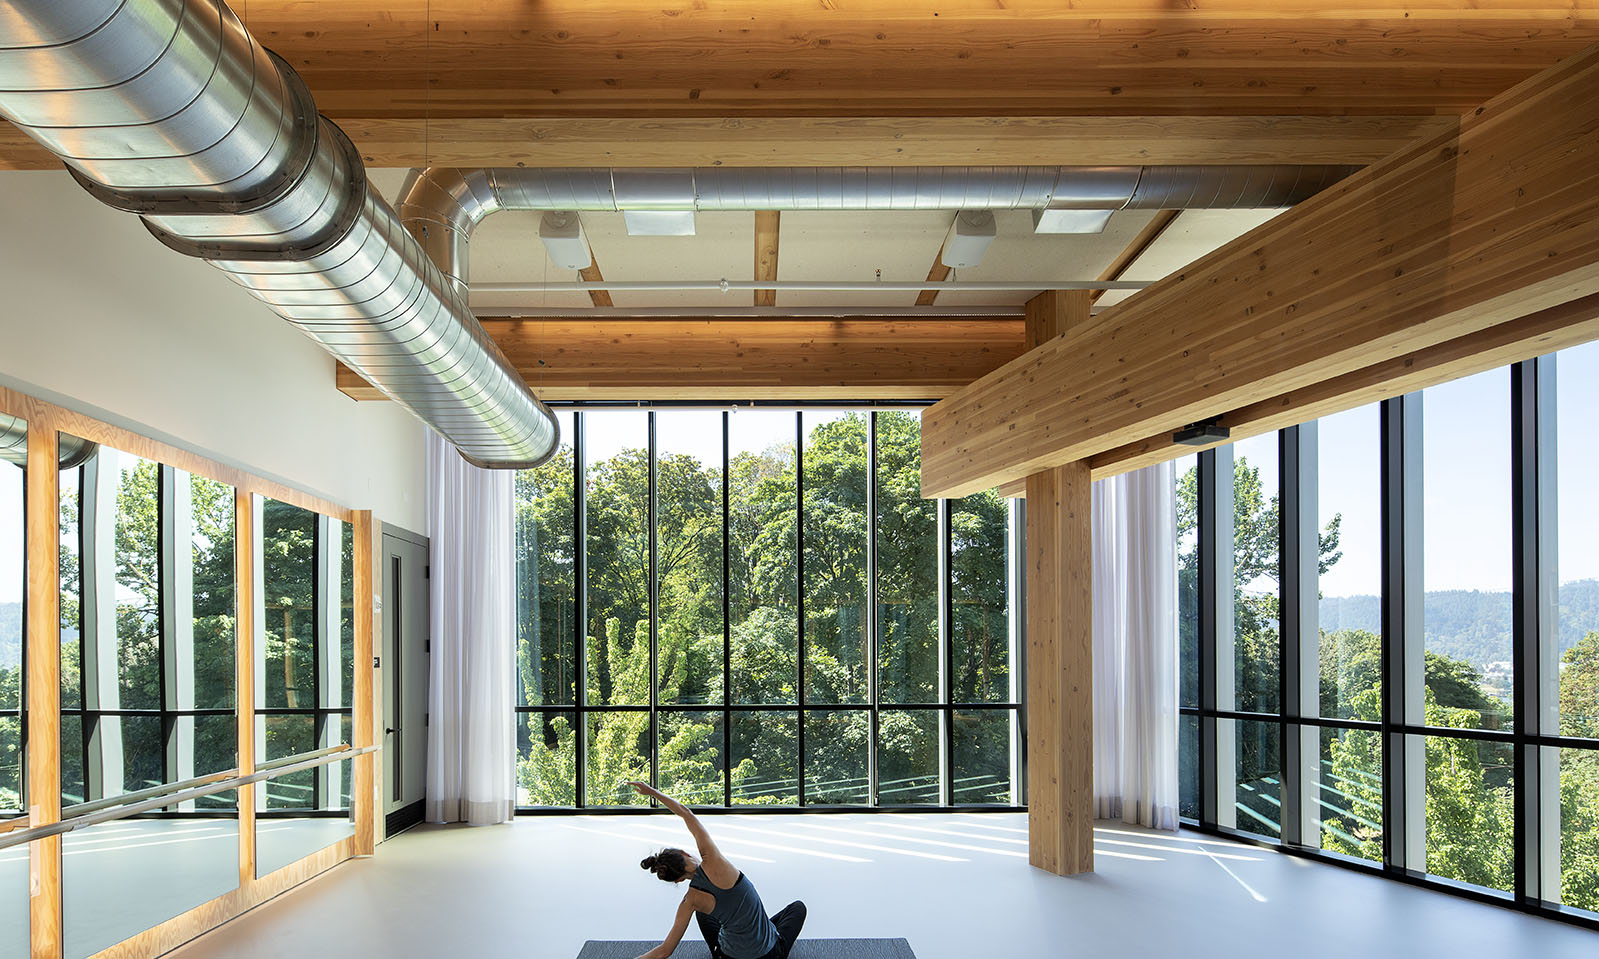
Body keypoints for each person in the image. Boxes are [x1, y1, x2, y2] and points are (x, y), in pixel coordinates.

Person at [629, 781, 807, 959]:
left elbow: (664, 951)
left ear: (677, 880)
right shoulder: (713, 860)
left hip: (727, 956)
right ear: (684, 853)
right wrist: (652, 792)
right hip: (768, 955)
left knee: (702, 913)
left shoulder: (689, 901)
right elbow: (686, 813)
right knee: (797, 908)